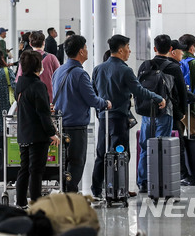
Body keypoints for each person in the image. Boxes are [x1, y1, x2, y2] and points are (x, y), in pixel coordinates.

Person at [90, 34, 165, 199]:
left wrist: (100, 111)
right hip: (118, 120)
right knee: (121, 154)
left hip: (103, 119)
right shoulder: (125, 70)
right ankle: (119, 189)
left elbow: (94, 93)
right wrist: (158, 97)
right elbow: (139, 91)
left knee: (102, 153)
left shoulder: (98, 69)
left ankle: (96, 190)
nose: (130, 52)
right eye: (128, 48)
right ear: (121, 49)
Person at [52, 34, 110, 193]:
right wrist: (105, 103)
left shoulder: (58, 71)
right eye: (85, 47)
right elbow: (92, 99)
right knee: (77, 161)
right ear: (81, 52)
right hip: (76, 126)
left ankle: (65, 189)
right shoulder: (80, 74)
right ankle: (71, 192)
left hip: (60, 125)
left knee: (64, 161)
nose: (87, 50)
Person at [135, 35, 183, 194]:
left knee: (145, 146)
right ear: (170, 49)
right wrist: (181, 113)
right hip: (165, 112)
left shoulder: (145, 65)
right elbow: (181, 92)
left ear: (154, 48)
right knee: (162, 146)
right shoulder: (174, 67)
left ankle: (143, 182)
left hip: (147, 113)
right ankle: (159, 180)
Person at [15, 50, 60, 208]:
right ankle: (36, 202)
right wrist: (53, 134)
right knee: (36, 171)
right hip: (37, 135)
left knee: (24, 168)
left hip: (23, 132)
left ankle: (20, 202)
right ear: (37, 66)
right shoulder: (38, 85)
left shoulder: (20, 84)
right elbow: (43, 114)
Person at [167, 39, 195, 186]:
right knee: (179, 143)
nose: (183, 53)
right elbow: (182, 92)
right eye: (180, 50)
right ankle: (182, 175)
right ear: (173, 51)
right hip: (173, 112)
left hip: (155, 113)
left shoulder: (151, 65)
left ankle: (150, 178)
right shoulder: (175, 68)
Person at [16, 31, 60, 103]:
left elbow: (19, 78)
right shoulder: (52, 58)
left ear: (30, 44)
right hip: (48, 97)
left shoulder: (25, 58)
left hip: (28, 98)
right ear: (44, 42)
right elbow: (59, 77)